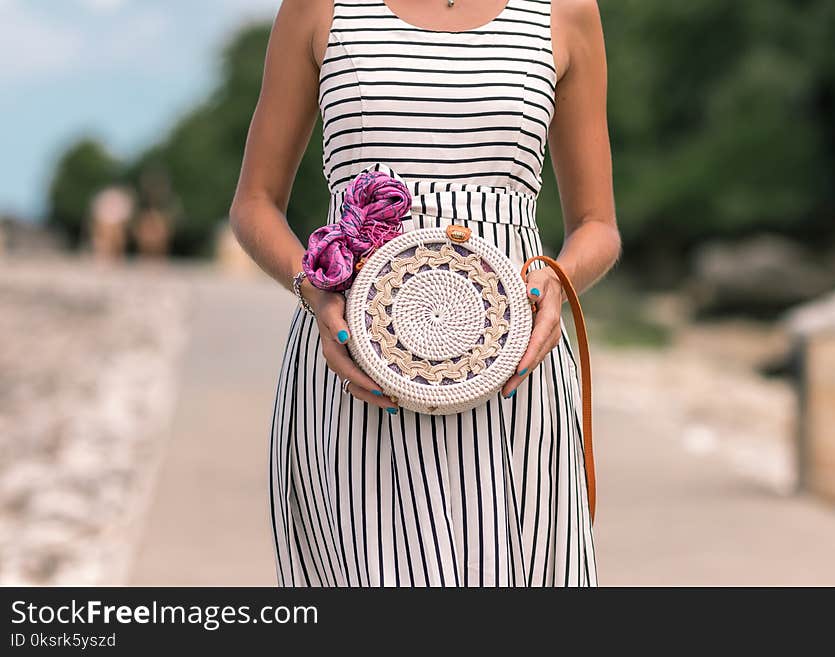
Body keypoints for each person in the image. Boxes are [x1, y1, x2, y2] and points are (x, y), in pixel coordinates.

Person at [229, 0, 621, 587]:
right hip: (355, 371)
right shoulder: (319, 6)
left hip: (514, 376)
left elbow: (598, 224)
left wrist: (556, 282)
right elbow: (254, 203)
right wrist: (312, 287)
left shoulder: (565, 10)